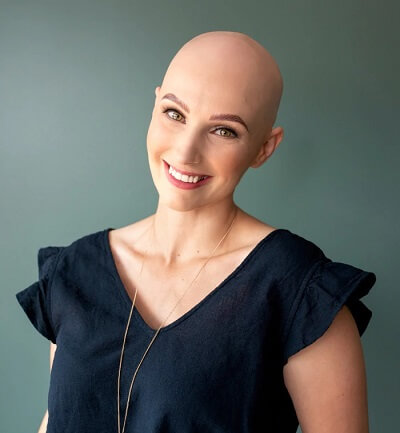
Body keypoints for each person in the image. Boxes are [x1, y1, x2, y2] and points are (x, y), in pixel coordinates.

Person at [16, 31, 376, 433]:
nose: (186, 152)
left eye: (224, 130)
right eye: (175, 113)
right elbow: (58, 421)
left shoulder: (301, 293)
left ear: (264, 148)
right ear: (154, 106)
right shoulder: (73, 273)